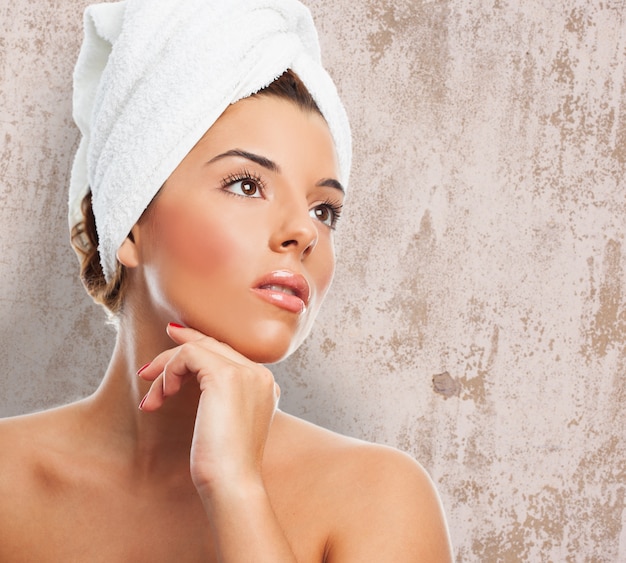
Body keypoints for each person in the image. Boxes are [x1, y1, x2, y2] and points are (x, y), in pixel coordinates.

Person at [0, 0, 453, 560]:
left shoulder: (377, 498)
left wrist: (235, 486)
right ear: (131, 223)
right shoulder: (8, 486)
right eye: (246, 184)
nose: (302, 233)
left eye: (324, 210)